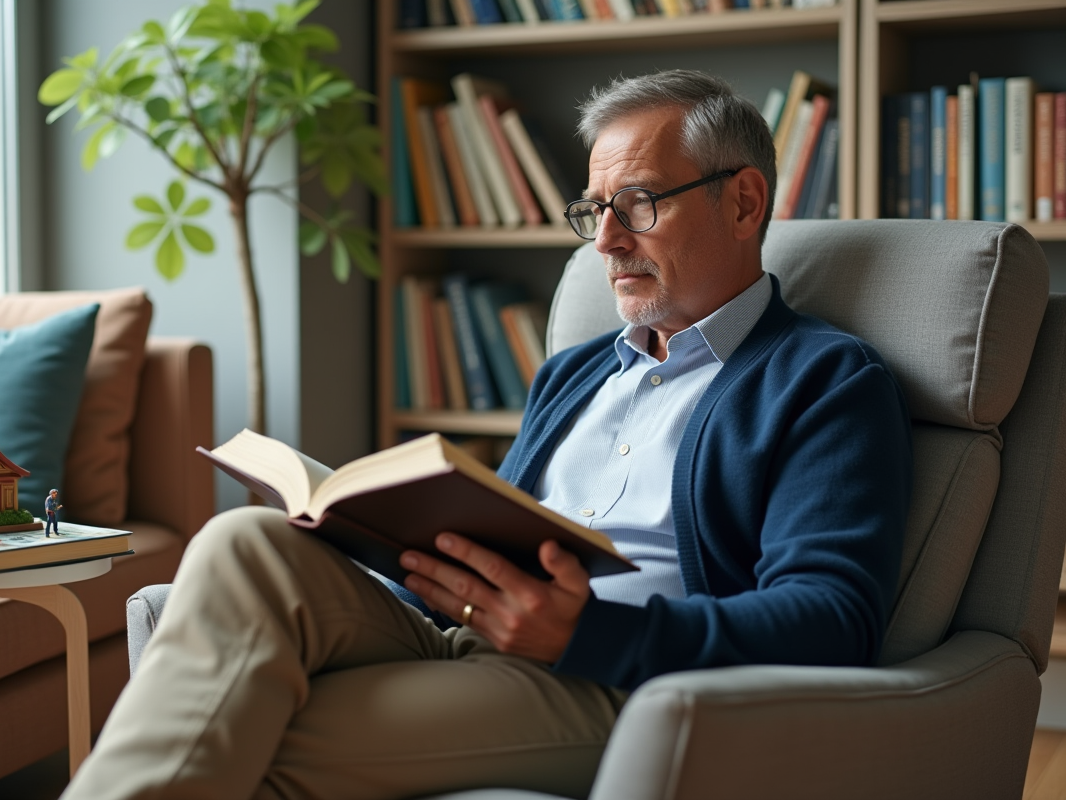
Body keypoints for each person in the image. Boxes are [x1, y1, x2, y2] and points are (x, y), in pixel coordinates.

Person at [62, 70, 912, 800]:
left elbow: (833, 618)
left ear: (744, 202)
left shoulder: (825, 381)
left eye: (639, 204)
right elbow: (499, 534)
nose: (607, 240)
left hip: (618, 680)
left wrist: (586, 634)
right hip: (464, 632)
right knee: (245, 540)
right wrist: (383, 547)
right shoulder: (574, 373)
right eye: (596, 210)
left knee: (241, 733)